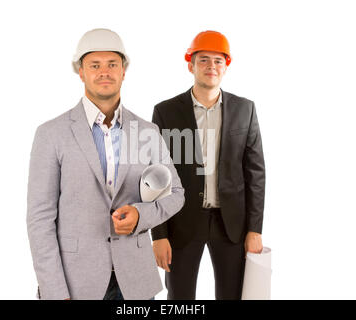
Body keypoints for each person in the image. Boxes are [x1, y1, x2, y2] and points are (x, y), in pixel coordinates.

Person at [26, 28, 184, 300]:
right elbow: (40, 219)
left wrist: (140, 216)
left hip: (135, 282)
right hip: (76, 283)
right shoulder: (51, 134)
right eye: (94, 65)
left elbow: (176, 195)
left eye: (112, 64)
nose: (104, 72)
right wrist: (54, 291)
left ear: (123, 71)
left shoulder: (146, 131)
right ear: (81, 72)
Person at [151, 30, 265, 300]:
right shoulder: (166, 112)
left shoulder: (245, 109)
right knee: (179, 298)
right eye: (203, 60)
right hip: (181, 222)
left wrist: (255, 229)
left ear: (226, 67)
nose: (211, 66)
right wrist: (158, 234)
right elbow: (155, 175)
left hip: (232, 224)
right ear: (190, 64)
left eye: (217, 61)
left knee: (232, 295)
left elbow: (256, 174)